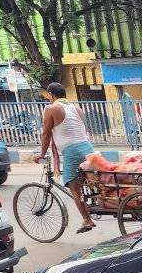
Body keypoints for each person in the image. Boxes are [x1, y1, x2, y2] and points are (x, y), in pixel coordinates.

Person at [35, 82, 96, 232]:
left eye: (48, 96)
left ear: (51, 95)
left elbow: (46, 134)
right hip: (87, 148)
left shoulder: (51, 108)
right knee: (90, 181)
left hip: (72, 151)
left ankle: (87, 220)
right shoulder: (77, 108)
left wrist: (41, 154)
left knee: (74, 188)